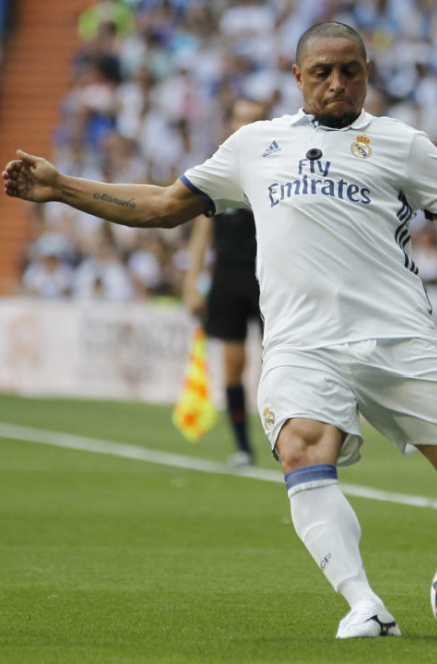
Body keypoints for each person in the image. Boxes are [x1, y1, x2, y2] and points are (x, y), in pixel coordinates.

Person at [3, 21, 437, 639]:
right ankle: (365, 605)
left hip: (397, 336)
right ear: (297, 76)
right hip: (302, 344)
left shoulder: (403, 145)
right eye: (322, 72)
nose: (337, 83)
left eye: (350, 71)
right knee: (302, 447)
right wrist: (63, 187)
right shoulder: (254, 144)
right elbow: (163, 206)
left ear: (367, 74)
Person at [182, 98, 269, 468]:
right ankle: (243, 447)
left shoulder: (274, 168)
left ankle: (287, 438)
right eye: (240, 119)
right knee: (234, 365)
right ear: (230, 123)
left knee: (279, 364)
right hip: (228, 280)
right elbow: (201, 232)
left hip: (270, 280)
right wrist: (191, 281)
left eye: (253, 120)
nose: (244, 126)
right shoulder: (215, 170)